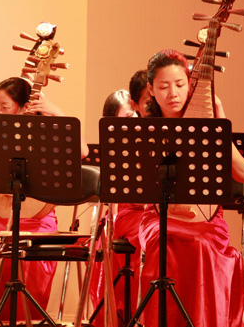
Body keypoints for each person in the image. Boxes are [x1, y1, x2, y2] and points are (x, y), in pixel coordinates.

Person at [137, 49, 244, 327]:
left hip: (206, 221)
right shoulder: (145, 130)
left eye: (180, 84)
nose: (173, 93)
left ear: (190, 85)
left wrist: (220, 128)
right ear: (151, 89)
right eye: (163, 87)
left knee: (201, 245)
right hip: (159, 216)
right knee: (163, 241)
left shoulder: (206, 121)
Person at [0, 77, 88, 322]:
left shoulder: (45, 133)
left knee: (13, 235)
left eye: (5, 107)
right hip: (3, 216)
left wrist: (55, 112)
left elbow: (82, 151)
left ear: (23, 107)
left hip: (38, 220)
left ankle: (21, 316)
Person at [90, 89, 140, 326]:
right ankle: (117, 315)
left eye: (135, 114)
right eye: (128, 117)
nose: (135, 119)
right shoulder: (115, 150)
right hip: (127, 215)